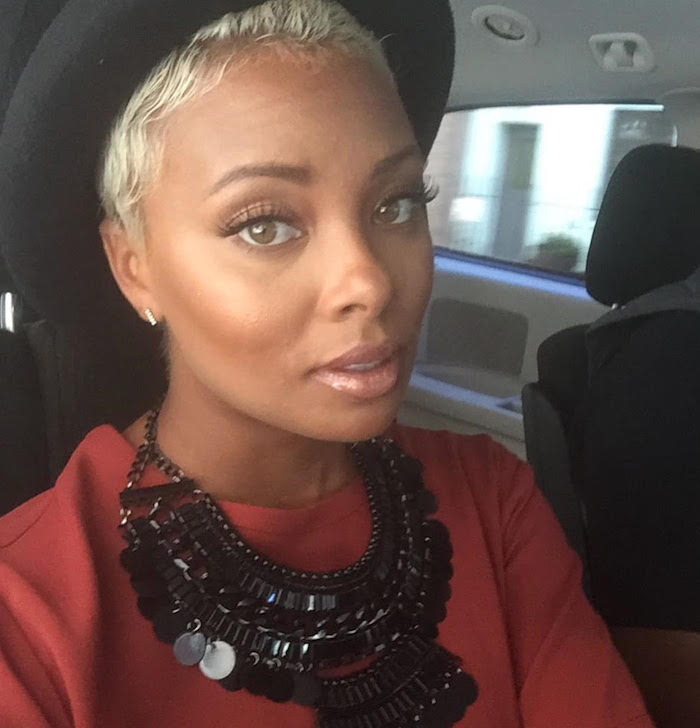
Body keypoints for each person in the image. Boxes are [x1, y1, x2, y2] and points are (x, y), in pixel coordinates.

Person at [0, 1, 653, 726]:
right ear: (134, 267)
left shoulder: (493, 500)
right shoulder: (28, 616)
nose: (369, 281)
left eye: (397, 204)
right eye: (264, 225)